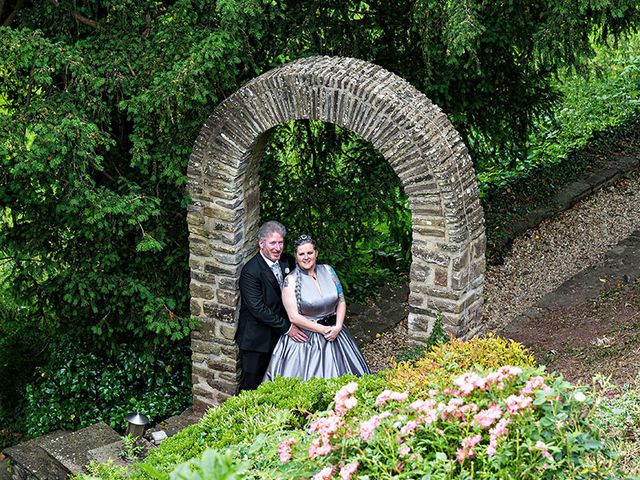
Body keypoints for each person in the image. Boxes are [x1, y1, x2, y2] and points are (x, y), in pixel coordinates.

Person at [264, 234, 370, 381]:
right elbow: (293, 317)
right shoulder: (290, 281)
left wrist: (338, 326)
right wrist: (323, 330)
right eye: (301, 254)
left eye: (310, 253)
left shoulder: (328, 270)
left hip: (336, 332)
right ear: (296, 256)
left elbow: (341, 301)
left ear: (316, 253)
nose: (306, 257)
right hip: (308, 339)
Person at [235, 221, 308, 391]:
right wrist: (288, 328)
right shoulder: (250, 271)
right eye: (273, 243)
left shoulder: (287, 260)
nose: (278, 248)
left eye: (280, 242)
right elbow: (258, 308)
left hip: (280, 337)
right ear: (261, 244)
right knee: (251, 386)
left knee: (278, 382)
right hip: (256, 340)